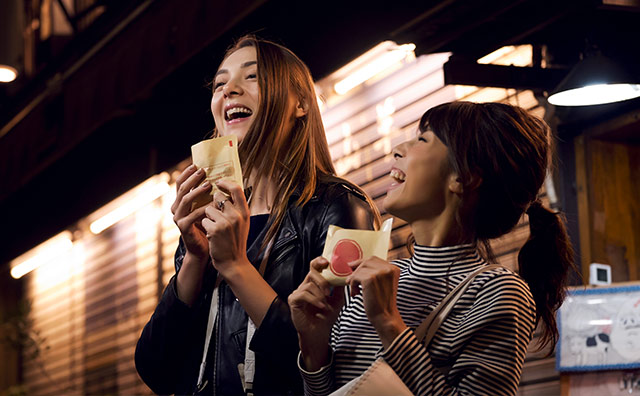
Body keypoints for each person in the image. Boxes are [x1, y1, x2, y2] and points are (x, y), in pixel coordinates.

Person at [134, 35, 380, 396]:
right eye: (219, 84)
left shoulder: (342, 207)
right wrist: (194, 259)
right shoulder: (210, 217)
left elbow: (347, 368)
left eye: (252, 77)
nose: (229, 90)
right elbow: (157, 371)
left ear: (300, 103)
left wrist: (236, 267)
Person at [289, 101, 576, 396]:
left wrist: (389, 322)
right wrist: (314, 349)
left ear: (463, 177)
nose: (398, 147)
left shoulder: (497, 290)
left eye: (422, 139)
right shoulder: (372, 281)